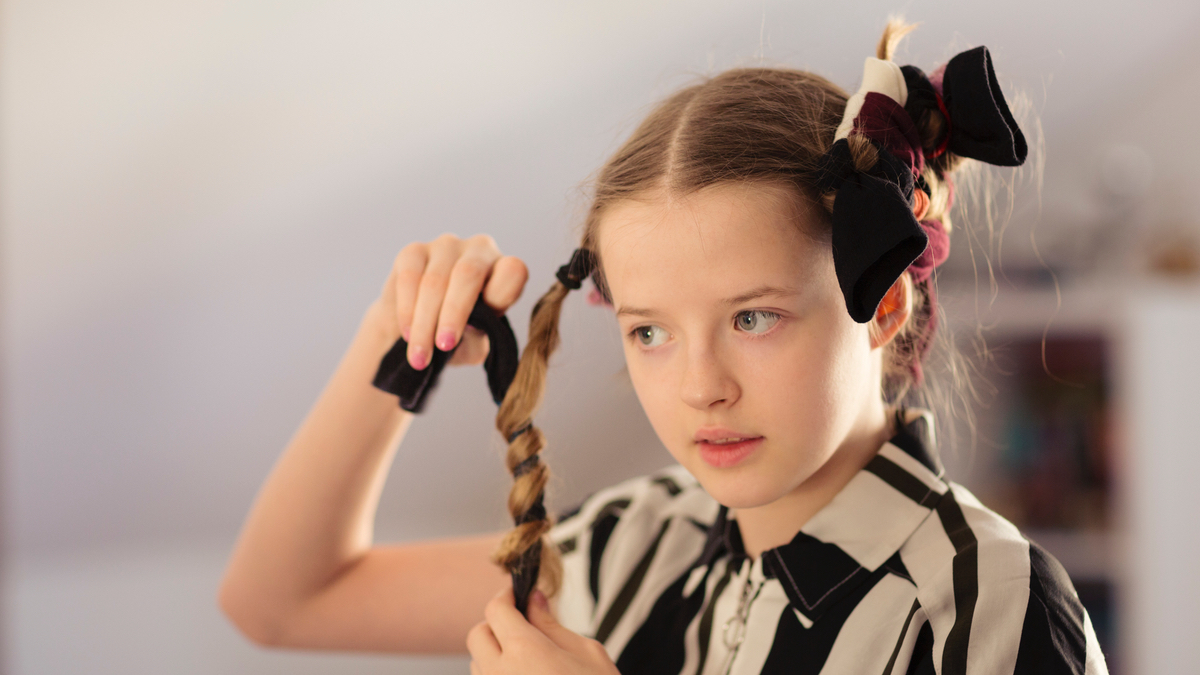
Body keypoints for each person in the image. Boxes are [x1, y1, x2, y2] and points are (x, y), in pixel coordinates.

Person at [219, 19, 1109, 674]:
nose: (699, 387)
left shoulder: (985, 604)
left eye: (753, 317)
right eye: (649, 330)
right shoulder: (639, 542)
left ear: (880, 306)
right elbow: (281, 601)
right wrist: (396, 336)